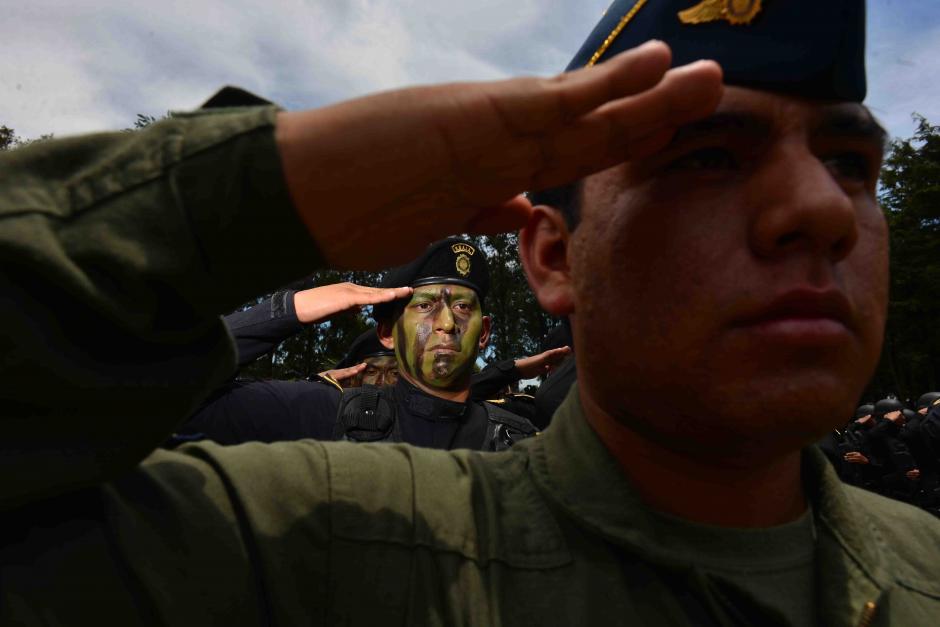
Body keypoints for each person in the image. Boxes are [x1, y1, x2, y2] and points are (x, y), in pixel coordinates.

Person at [3, 2, 939, 626]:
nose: (821, 208)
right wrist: (269, 192)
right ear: (554, 254)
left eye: (851, 165)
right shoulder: (301, 535)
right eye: (703, 157)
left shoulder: (925, 564)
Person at [180, 238, 538, 450]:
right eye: (425, 306)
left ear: (485, 332)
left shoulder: (520, 443)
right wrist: (291, 308)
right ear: (387, 333)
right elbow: (168, 397)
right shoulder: (326, 417)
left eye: (462, 307)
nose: (447, 323)